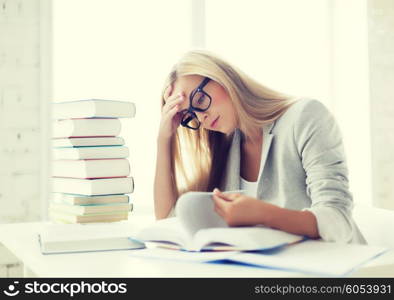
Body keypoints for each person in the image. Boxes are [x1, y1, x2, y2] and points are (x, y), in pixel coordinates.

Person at [154, 49, 366, 244]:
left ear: (224, 79)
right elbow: (166, 220)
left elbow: (337, 220)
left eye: (199, 99)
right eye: (190, 115)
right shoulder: (226, 146)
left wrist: (264, 213)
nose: (202, 117)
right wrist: (164, 139)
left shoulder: (305, 116)